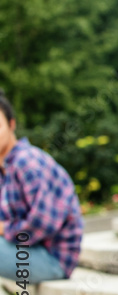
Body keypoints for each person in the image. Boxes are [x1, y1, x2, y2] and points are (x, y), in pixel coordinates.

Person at [0, 89, 83, 284]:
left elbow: (43, 223)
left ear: (12, 125)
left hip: (53, 259)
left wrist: (4, 230)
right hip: (29, 253)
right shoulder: (5, 169)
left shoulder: (27, 162)